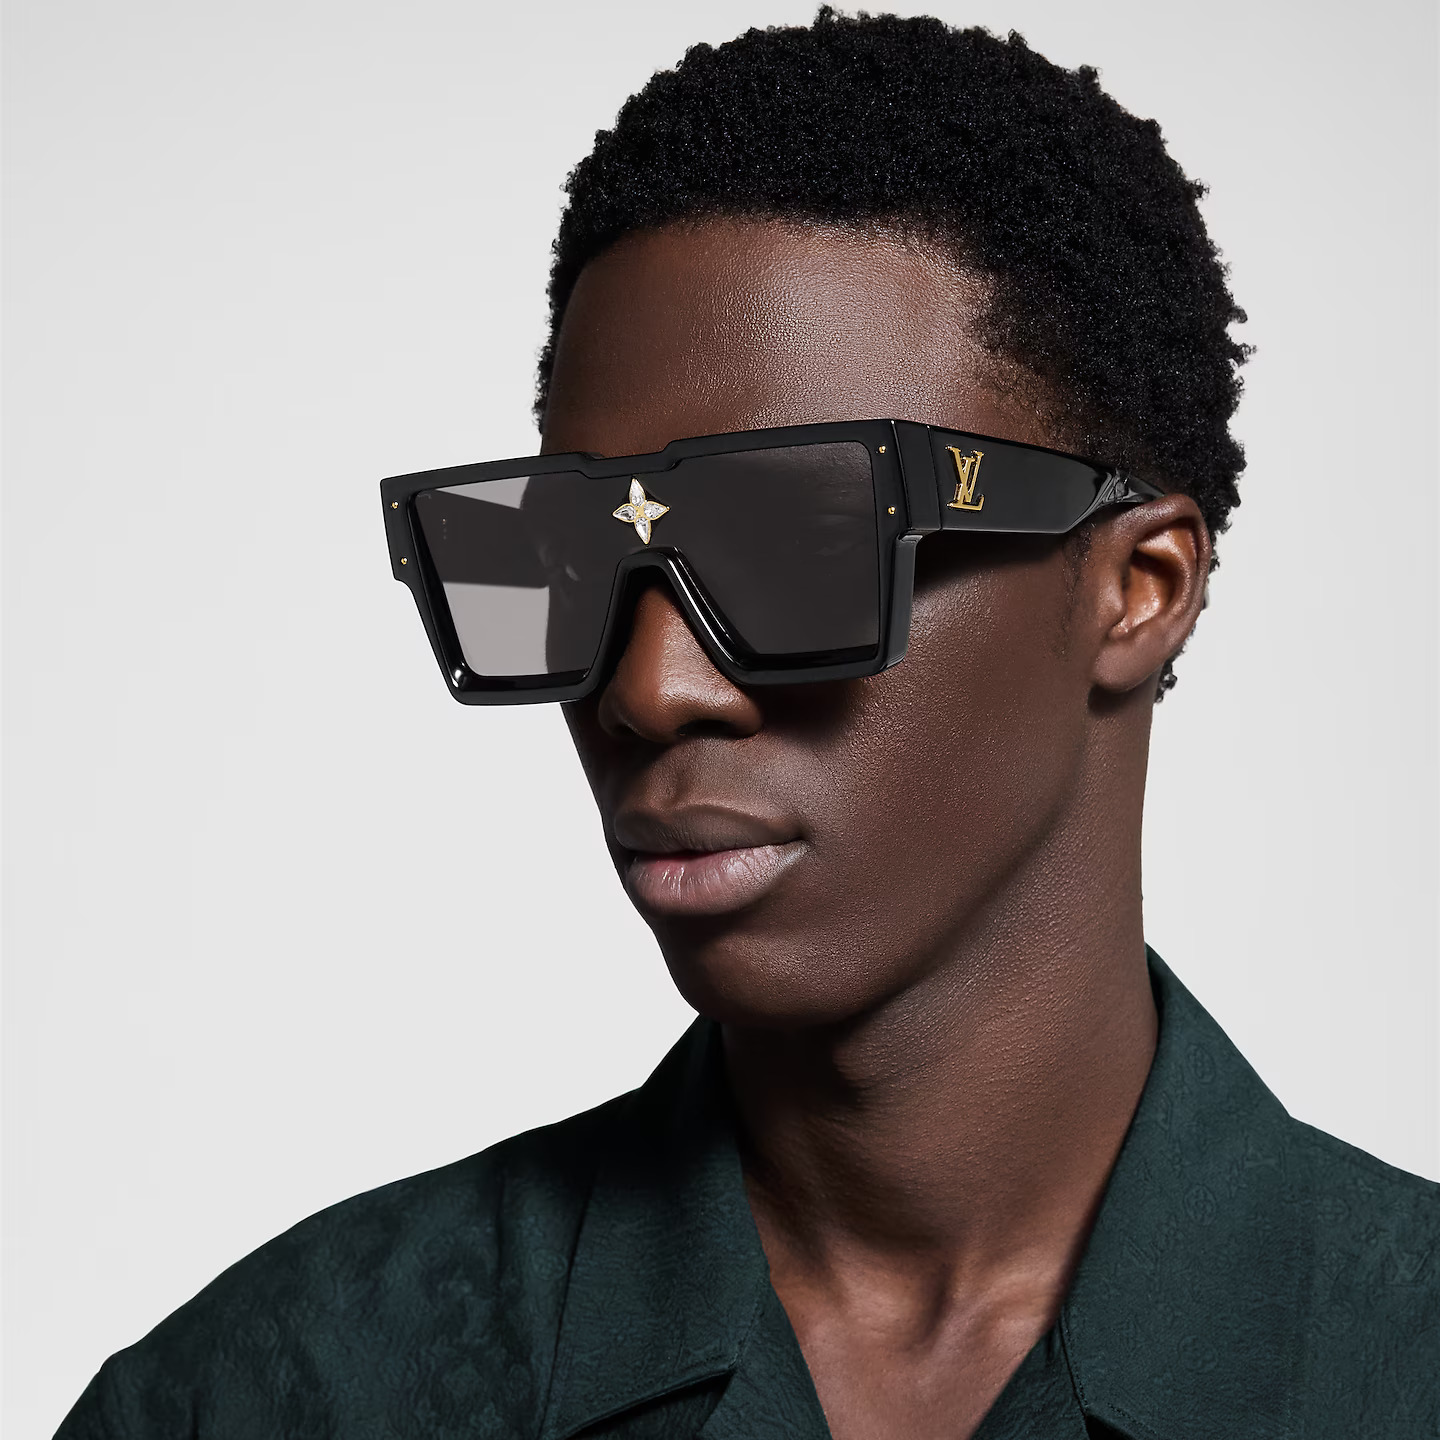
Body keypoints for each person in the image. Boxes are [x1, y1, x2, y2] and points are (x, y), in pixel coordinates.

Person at [57, 10, 1439, 1438]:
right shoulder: (268, 1397)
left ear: (1136, 588)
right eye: (571, 556)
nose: (650, 687)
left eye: (797, 544)